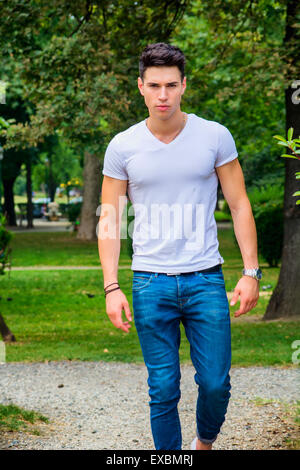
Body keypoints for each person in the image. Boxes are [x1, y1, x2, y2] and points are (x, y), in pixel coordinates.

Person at [98, 43, 261, 450]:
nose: (163, 95)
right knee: (164, 387)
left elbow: (240, 205)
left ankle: (203, 444)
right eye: (154, 85)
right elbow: (110, 219)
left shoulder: (214, 136)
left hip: (205, 278)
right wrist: (111, 287)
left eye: (171, 85)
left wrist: (250, 271)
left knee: (215, 383)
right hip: (150, 282)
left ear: (184, 85)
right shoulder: (123, 146)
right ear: (140, 86)